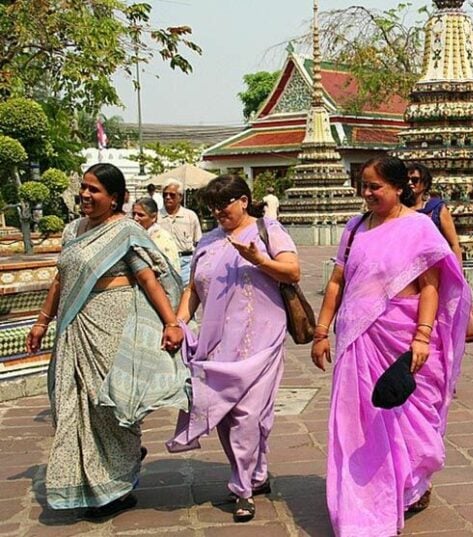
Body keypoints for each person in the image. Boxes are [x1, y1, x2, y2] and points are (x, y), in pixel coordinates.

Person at [311, 156, 471, 537]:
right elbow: (337, 282)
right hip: (356, 339)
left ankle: (409, 485)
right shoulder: (354, 229)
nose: (367, 194)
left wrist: (422, 337)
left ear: (400, 187)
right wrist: (321, 331)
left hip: (402, 339)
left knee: (409, 420)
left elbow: (431, 286)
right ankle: (363, 501)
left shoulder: (419, 229)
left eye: (375, 187)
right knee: (357, 422)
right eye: (363, 186)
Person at [25, 163, 189, 518]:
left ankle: (118, 482)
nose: (85, 195)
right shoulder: (72, 231)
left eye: (95, 190)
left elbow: (148, 280)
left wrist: (171, 322)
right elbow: (59, 279)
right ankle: (91, 488)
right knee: (73, 407)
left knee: (110, 407)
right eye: (84, 187)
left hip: (114, 328)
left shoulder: (125, 231)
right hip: (75, 326)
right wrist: (41, 322)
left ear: (114, 199)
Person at [165, 175, 301, 523]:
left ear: (243, 200)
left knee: (250, 415)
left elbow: (293, 271)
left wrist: (259, 260)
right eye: (212, 206)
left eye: (223, 204)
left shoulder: (268, 231)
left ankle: (242, 490)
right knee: (225, 415)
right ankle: (255, 474)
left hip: (261, 340)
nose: (217, 212)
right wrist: (179, 323)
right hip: (218, 343)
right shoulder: (208, 240)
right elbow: (192, 290)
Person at [407, 162, 462, 267]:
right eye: (407, 180)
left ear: (425, 184)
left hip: (435, 265)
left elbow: (453, 243)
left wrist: (458, 273)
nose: (410, 183)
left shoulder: (436, 208)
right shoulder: (400, 210)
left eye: (415, 180)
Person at [158, 178, 202, 283]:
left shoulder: (190, 216)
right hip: (164, 263)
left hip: (186, 263)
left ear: (180, 197)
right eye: (165, 195)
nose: (168, 197)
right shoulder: (156, 217)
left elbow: (198, 242)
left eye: (172, 195)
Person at [132, 197, 181, 273]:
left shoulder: (162, 238)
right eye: (133, 214)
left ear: (153, 217)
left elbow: (168, 270)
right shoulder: (138, 236)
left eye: (140, 215)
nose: (135, 218)